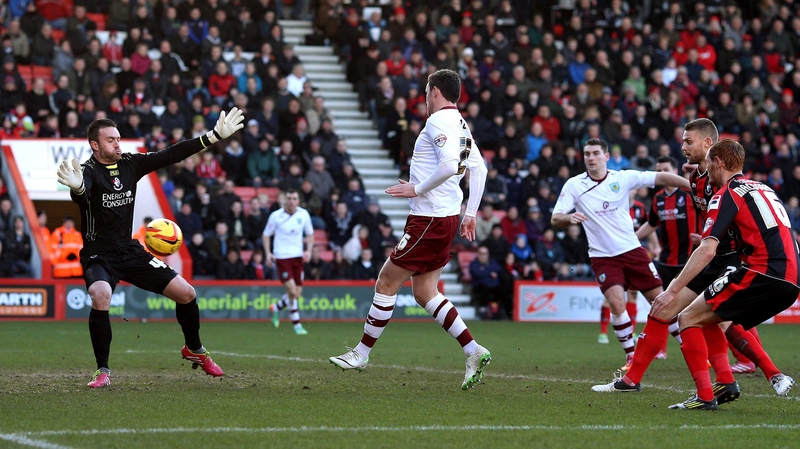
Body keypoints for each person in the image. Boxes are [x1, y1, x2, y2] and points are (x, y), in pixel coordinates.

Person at [592, 119, 792, 401]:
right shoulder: (697, 180)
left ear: (709, 145)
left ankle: (764, 374)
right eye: (683, 141)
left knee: (718, 321)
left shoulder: (723, 182)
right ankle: (631, 380)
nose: (682, 146)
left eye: (689, 141)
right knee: (663, 310)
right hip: (710, 259)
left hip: (733, 260)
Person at [55, 107, 244, 388]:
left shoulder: (131, 164)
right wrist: (78, 189)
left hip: (130, 251)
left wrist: (213, 137)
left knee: (187, 293)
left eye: (119, 138)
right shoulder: (87, 172)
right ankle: (102, 370)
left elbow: (170, 154)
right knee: (100, 295)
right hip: (99, 254)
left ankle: (195, 349)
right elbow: (82, 194)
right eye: (111, 140)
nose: (118, 143)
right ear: (95, 145)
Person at [329, 69, 492, 390]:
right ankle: (474, 350)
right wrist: (470, 212)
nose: (424, 96)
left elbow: (448, 166)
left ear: (434, 92)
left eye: (426, 90)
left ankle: (361, 353)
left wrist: (417, 189)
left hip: (429, 218)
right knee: (425, 292)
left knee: (387, 280)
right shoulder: (460, 124)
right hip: (443, 217)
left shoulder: (438, 122)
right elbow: (480, 168)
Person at [663, 139, 800, 410]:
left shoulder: (726, 193)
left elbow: (707, 249)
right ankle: (751, 378)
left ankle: (704, 397)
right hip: (792, 279)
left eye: (710, 165)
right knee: (718, 317)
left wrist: (673, 289)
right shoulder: (763, 187)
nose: (708, 171)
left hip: (764, 271)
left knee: (686, 317)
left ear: (719, 163)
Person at [551, 138, 690, 370]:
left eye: (596, 153)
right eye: (587, 154)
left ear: (607, 157)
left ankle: (691, 350)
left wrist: (691, 185)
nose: (591, 158)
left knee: (663, 303)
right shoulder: (574, 185)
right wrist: (569, 217)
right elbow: (555, 218)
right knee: (617, 304)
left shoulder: (622, 178)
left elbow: (662, 178)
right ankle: (631, 357)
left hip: (633, 251)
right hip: (602, 257)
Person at [634, 156, 697, 357]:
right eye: (659, 170)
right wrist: (631, 239)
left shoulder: (690, 194)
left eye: (666, 169)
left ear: (676, 170)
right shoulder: (658, 199)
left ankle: (704, 352)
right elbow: (652, 224)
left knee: (699, 310)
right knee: (660, 306)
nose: (663, 173)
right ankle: (659, 349)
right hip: (666, 261)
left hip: (690, 261)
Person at [262, 189, 314, 335]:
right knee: (291, 290)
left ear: (298, 201)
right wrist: (268, 254)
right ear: (284, 200)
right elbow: (266, 235)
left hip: (298, 257)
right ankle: (297, 325)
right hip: (282, 257)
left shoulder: (303, 214)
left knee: (296, 294)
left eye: (294, 198)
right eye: (289, 198)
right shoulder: (276, 216)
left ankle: (277, 307)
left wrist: (308, 251)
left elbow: (310, 235)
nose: (291, 201)